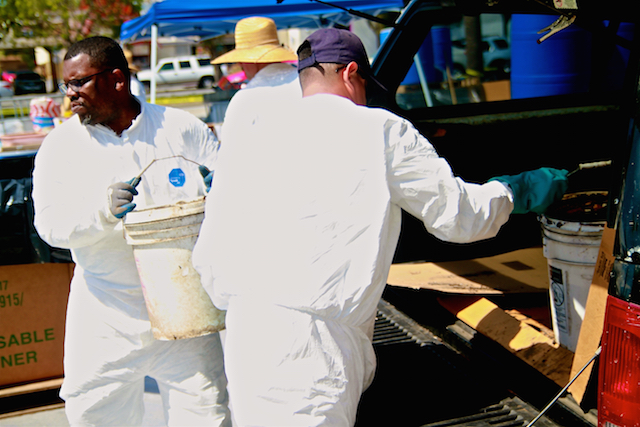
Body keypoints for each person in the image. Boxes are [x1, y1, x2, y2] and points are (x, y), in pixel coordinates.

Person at [192, 27, 569, 426]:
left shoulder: (256, 135)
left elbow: (210, 249)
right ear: (351, 72)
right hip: (310, 349)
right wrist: (515, 191)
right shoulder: (381, 131)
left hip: (245, 332)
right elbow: (459, 217)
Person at [32, 36, 230, 426]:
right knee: (95, 413)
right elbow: (49, 226)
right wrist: (102, 212)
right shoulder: (61, 147)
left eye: (79, 83)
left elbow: (231, 196)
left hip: (185, 305)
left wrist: (218, 189)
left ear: (117, 79)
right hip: (106, 311)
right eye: (65, 85)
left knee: (206, 413)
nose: (70, 94)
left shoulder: (179, 128)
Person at [211, 16, 301, 139]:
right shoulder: (305, 81)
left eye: (241, 60)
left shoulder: (245, 99)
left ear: (251, 60)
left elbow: (231, 152)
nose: (241, 66)